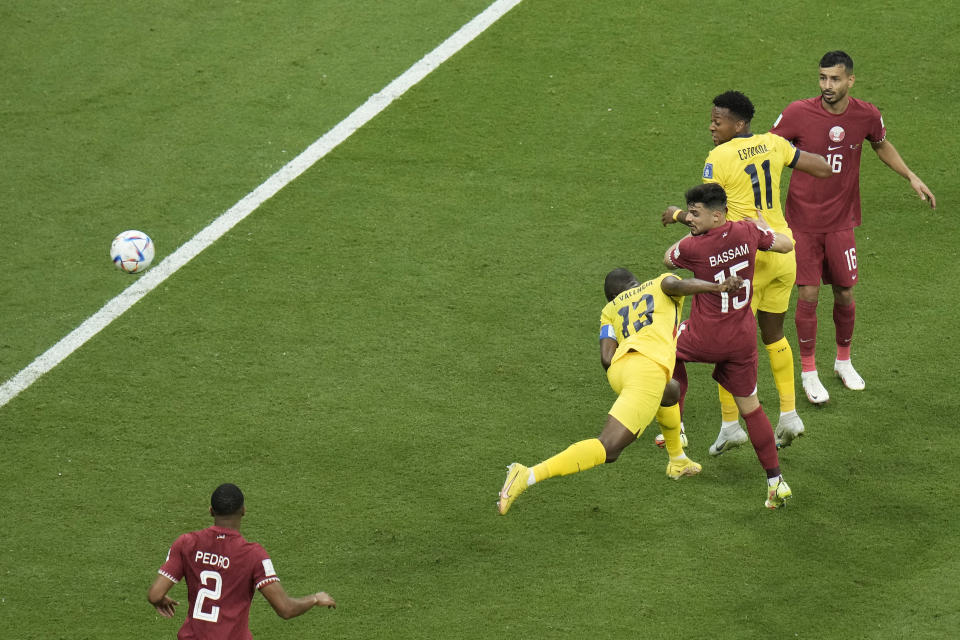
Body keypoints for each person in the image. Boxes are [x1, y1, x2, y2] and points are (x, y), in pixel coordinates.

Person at [497, 266, 744, 515]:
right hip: (647, 370)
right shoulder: (658, 284)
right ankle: (527, 474)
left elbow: (606, 357)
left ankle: (677, 460)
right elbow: (675, 285)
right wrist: (716, 287)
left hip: (621, 369)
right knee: (610, 447)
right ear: (634, 281)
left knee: (670, 390)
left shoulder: (609, 310)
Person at [662, 90, 831, 453]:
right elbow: (818, 165)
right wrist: (835, 160)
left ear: (738, 124)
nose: (711, 126)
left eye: (717, 121)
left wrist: (678, 215)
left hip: (743, 257)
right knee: (774, 335)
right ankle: (789, 414)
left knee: (731, 345)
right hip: (783, 250)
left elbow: (708, 211)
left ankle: (729, 425)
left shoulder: (718, 157)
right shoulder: (774, 142)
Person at [771, 50, 937, 403]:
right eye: (822, 78)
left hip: (842, 222)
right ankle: (809, 371)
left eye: (834, 79)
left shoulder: (866, 115)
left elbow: (880, 144)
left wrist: (910, 175)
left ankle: (843, 361)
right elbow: (771, 149)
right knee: (808, 295)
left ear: (850, 80)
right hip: (802, 222)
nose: (826, 86)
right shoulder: (799, 112)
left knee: (845, 292)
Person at [665, 183, 795, 508]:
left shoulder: (693, 247)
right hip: (741, 339)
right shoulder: (749, 231)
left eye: (695, 214)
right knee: (751, 407)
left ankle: (677, 427)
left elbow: (668, 260)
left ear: (717, 214)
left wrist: (683, 227)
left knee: (666, 348)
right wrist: (765, 227)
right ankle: (775, 482)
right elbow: (785, 245)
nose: (690, 219)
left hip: (705, 336)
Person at [147, 483, 336, 639]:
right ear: (243, 510)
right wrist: (314, 599)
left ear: (211, 511)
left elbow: (155, 595)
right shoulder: (253, 555)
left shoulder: (187, 543)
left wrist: (161, 600)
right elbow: (285, 609)